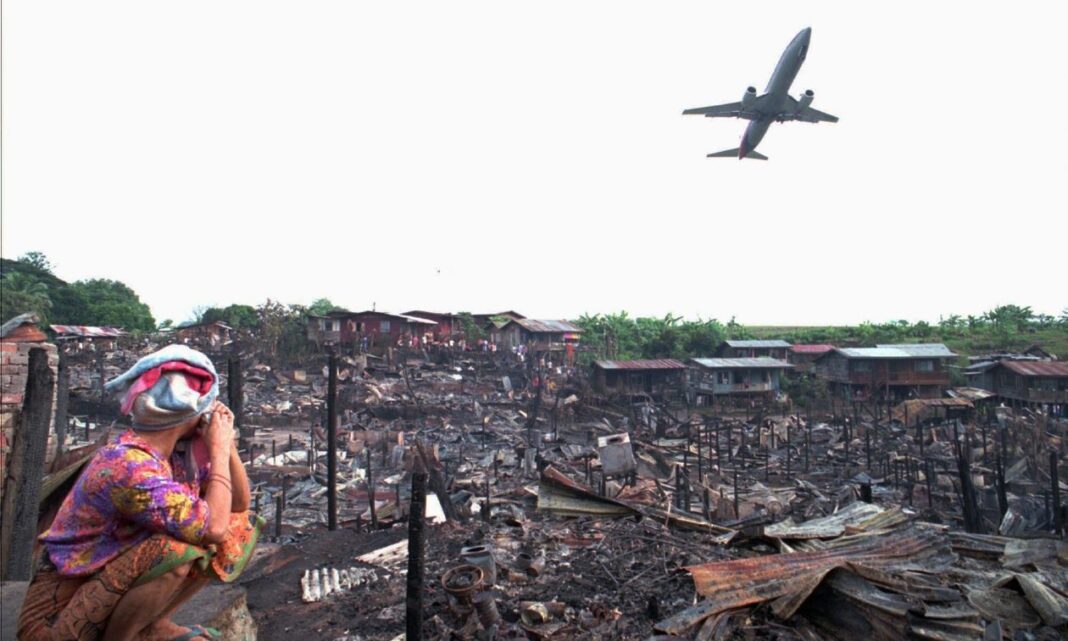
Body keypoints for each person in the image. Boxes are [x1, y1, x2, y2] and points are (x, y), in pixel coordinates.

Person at [18, 345, 260, 641]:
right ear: (191, 414)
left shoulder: (175, 458)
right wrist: (218, 449)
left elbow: (238, 506)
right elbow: (213, 528)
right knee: (176, 550)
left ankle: (153, 624)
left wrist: (227, 445)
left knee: (238, 529)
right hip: (56, 619)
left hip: (102, 587)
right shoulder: (128, 465)